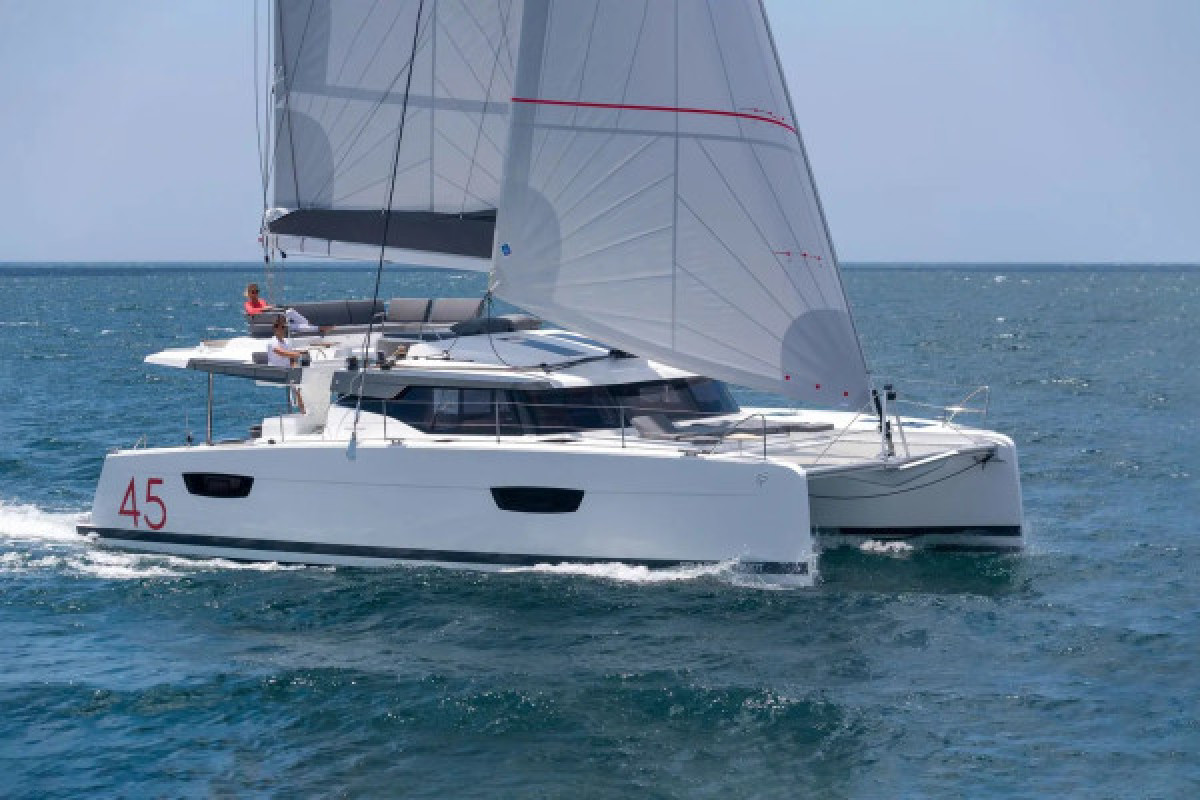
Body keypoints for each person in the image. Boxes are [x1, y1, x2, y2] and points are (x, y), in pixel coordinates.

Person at [244, 282, 330, 334]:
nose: (255, 294)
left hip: (277, 320)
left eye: (257, 291)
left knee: (293, 317)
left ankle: (315, 328)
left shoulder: (262, 301)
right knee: (293, 322)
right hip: (270, 324)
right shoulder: (248, 304)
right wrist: (263, 309)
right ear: (249, 293)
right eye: (253, 292)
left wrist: (268, 308)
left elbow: (269, 309)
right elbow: (251, 311)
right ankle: (318, 328)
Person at [266, 315, 307, 413]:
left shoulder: (286, 342)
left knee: (300, 385)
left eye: (284, 327)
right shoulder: (272, 342)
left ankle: (303, 411)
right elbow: (280, 352)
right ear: (275, 328)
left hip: (287, 370)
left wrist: (295, 367)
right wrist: (298, 354)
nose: (282, 329)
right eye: (280, 326)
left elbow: (291, 357)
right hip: (277, 371)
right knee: (297, 386)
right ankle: (302, 410)